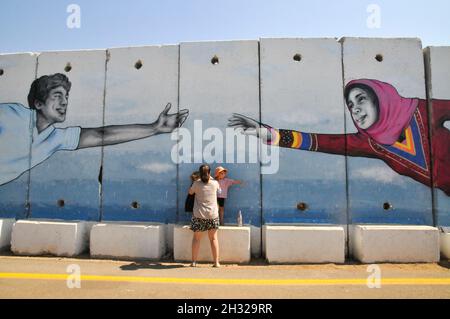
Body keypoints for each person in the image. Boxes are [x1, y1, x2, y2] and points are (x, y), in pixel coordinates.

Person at [228, 78, 450, 196]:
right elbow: (318, 142)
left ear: (380, 98)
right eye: (350, 104)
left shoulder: (423, 110)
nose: (355, 109)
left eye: (361, 99)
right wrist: (269, 134)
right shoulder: (370, 143)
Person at [0, 73, 189, 186]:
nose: (64, 102)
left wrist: (154, 128)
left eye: (66, 96)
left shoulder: (56, 138)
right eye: (57, 96)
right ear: (38, 103)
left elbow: (101, 135)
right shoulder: (11, 114)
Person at [188, 164, 222, 268]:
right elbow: (219, 192)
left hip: (199, 215)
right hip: (212, 215)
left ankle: (193, 262)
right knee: (213, 239)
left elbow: (190, 192)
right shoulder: (215, 183)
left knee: (196, 239)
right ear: (209, 173)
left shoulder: (196, 184)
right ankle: (216, 263)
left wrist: (197, 181)